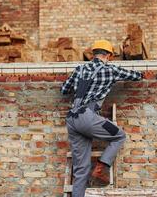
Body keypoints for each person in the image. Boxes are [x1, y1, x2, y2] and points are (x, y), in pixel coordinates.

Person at [61, 40, 143, 197]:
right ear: (109, 55)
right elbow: (136, 76)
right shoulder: (110, 69)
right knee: (119, 135)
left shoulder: (79, 69)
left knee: (80, 170)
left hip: (72, 119)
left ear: (93, 54)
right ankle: (100, 169)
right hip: (88, 116)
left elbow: (64, 90)